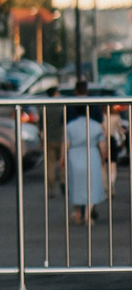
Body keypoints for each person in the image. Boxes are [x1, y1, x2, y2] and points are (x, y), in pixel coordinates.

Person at [64, 97, 110, 227]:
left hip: (74, 154)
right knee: (92, 185)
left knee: (76, 185)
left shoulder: (70, 126)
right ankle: (88, 215)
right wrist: (103, 158)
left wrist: (63, 158)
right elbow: (102, 145)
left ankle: (78, 212)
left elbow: (66, 144)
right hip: (92, 154)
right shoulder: (96, 126)